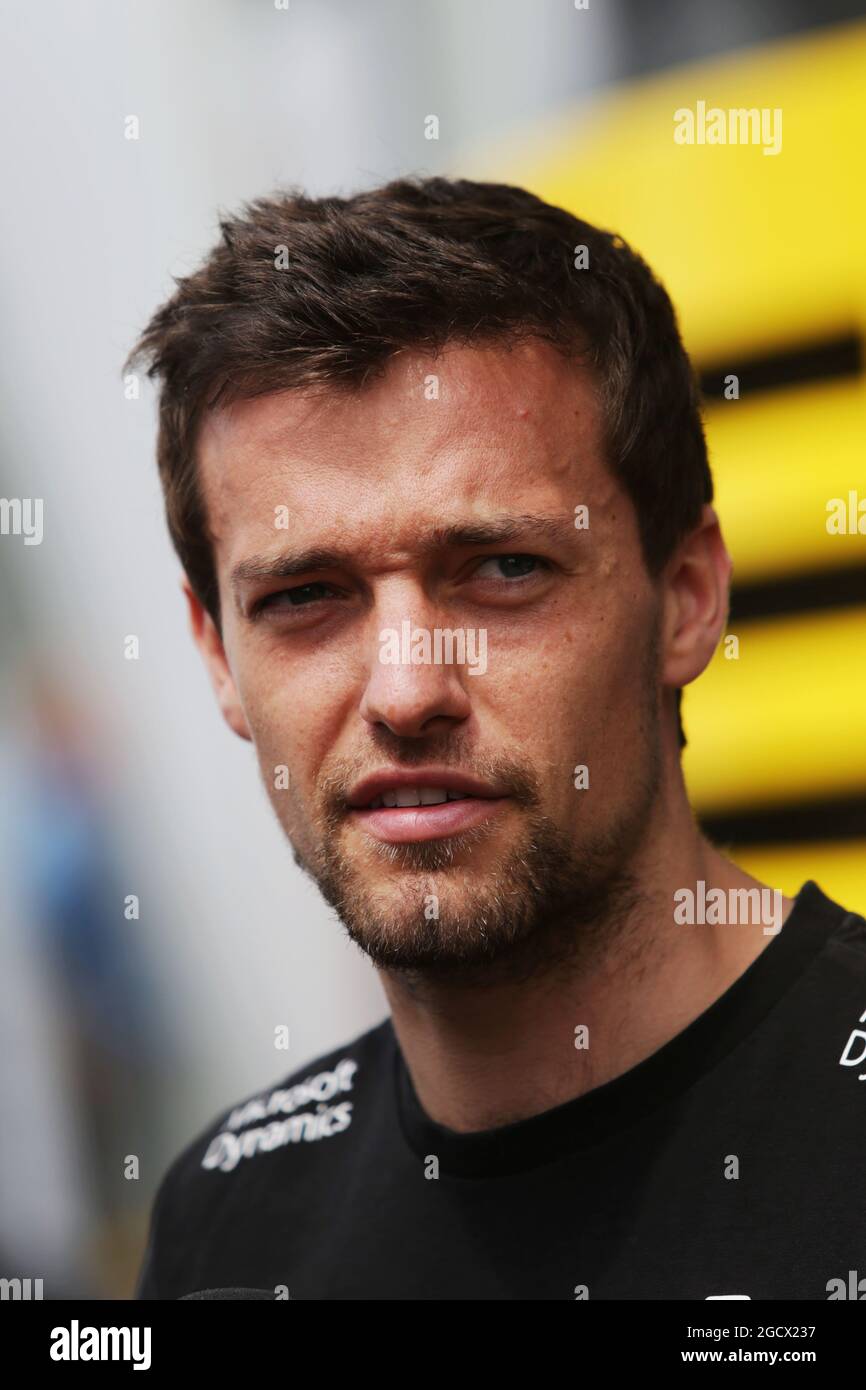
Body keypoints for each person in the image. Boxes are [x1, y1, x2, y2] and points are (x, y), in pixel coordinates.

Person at [129, 177, 866, 1300]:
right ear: (218, 655)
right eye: (305, 596)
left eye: (502, 570)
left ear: (684, 597)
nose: (407, 690)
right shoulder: (227, 1227)